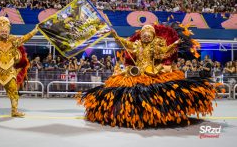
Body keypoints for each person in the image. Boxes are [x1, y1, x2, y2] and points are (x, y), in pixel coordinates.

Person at [78, 24, 216, 129]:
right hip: (137, 72)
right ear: (141, 34)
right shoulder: (136, 44)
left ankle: (157, 115)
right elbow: (125, 43)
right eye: (144, 33)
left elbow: (164, 51)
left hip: (152, 71)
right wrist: (115, 35)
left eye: (149, 34)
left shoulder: (156, 46)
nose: (146, 36)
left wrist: (174, 44)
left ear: (153, 35)